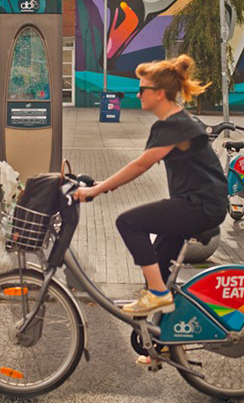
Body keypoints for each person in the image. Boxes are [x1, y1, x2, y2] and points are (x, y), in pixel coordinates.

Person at [75, 55, 227, 319]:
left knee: (129, 222)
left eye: (142, 89)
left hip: (200, 206)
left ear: (159, 93)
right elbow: (139, 165)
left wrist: (96, 190)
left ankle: (158, 294)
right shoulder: (175, 123)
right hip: (199, 203)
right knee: (157, 267)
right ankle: (160, 343)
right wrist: (104, 185)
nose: (138, 93)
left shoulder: (174, 125)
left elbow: (140, 165)